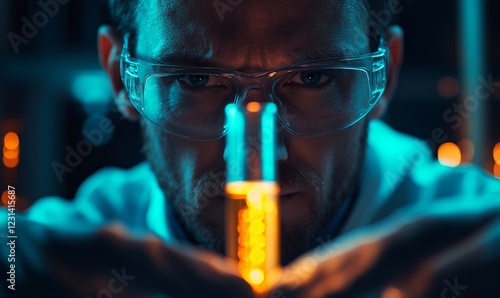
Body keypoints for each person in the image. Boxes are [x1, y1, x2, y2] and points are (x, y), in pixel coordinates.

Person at [2, 0, 500, 297]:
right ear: (119, 77)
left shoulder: (466, 238)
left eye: (312, 77)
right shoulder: (77, 257)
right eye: (195, 79)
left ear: (383, 76)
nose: (259, 160)